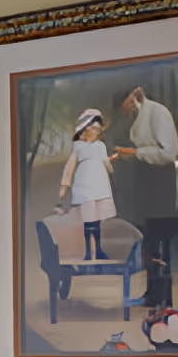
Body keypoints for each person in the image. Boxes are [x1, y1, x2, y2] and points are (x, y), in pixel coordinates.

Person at [112, 85, 178, 303]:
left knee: (161, 237)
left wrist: (136, 152)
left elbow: (168, 154)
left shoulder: (158, 113)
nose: (127, 110)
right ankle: (152, 292)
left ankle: (164, 295)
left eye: (128, 105)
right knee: (148, 237)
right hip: (145, 181)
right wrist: (129, 155)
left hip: (160, 182)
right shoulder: (138, 116)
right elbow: (142, 151)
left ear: (134, 97)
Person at [57, 109, 115, 260]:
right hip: (84, 184)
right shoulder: (78, 147)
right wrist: (65, 186)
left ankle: (98, 249)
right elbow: (69, 167)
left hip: (99, 184)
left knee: (97, 218)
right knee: (88, 217)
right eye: (89, 129)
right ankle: (89, 251)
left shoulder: (100, 146)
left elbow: (106, 162)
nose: (92, 132)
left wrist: (111, 169)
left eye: (95, 130)